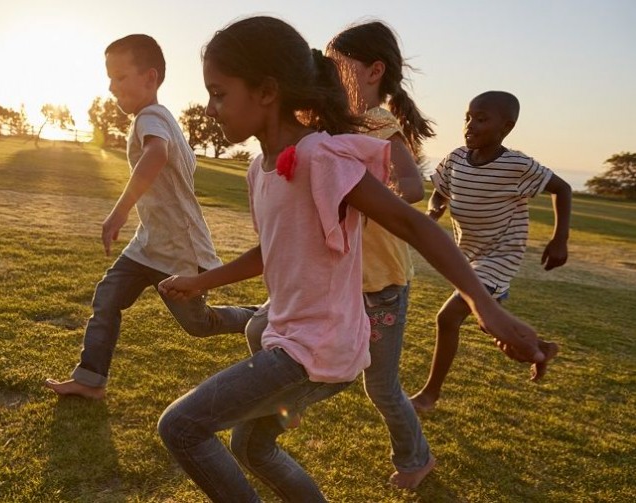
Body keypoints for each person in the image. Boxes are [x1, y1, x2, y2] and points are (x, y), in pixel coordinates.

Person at [156, 17, 547, 502]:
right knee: (252, 448)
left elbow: (413, 224)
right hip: (290, 338)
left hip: (316, 348)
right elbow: (269, 252)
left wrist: (485, 307)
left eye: (219, 93)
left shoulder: (322, 157)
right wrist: (202, 282)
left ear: (267, 91)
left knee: (181, 426)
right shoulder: (260, 170)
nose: (210, 108)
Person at [242, 19, 438, 489]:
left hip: (378, 282)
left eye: (337, 65)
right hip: (331, 279)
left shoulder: (379, 124)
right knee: (259, 329)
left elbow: (412, 187)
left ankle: (416, 459)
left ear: (374, 71)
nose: (327, 73)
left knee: (381, 386)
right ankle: (287, 406)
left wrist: (364, 197)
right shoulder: (325, 124)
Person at [44, 34, 255, 400]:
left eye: (120, 77)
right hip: (148, 245)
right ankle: (90, 379)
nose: (112, 87)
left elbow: (156, 154)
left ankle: (260, 318)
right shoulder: (163, 118)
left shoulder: (151, 117)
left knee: (199, 325)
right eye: (109, 78)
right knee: (107, 296)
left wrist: (119, 212)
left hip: (179, 251)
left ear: (150, 78)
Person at [409, 90, 568, 413]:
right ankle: (540, 349)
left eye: (481, 119)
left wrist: (559, 239)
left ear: (506, 127)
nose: (470, 125)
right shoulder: (456, 159)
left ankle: (429, 395)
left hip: (499, 256)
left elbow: (562, 188)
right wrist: (434, 208)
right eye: (467, 118)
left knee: (447, 317)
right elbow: (440, 191)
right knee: (488, 322)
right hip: (467, 256)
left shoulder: (516, 165)